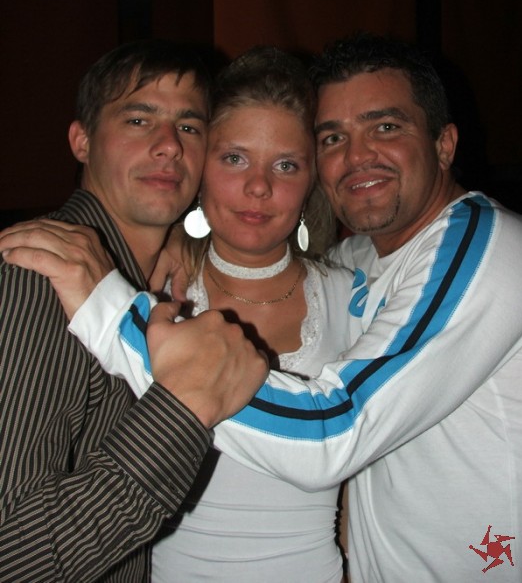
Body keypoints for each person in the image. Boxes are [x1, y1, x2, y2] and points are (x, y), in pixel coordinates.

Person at [3, 33, 522, 582]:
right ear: (202, 169)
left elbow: (337, 436)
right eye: (234, 158)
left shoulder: (442, 264)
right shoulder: (361, 267)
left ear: (444, 144)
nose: (257, 187)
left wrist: (109, 309)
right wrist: (174, 244)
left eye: (286, 166)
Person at [2, 47, 354, 582]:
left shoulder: (142, 281)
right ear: (82, 140)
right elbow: (13, 550)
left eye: (188, 127)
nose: (168, 144)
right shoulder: (44, 276)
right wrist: (185, 406)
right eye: (138, 120)